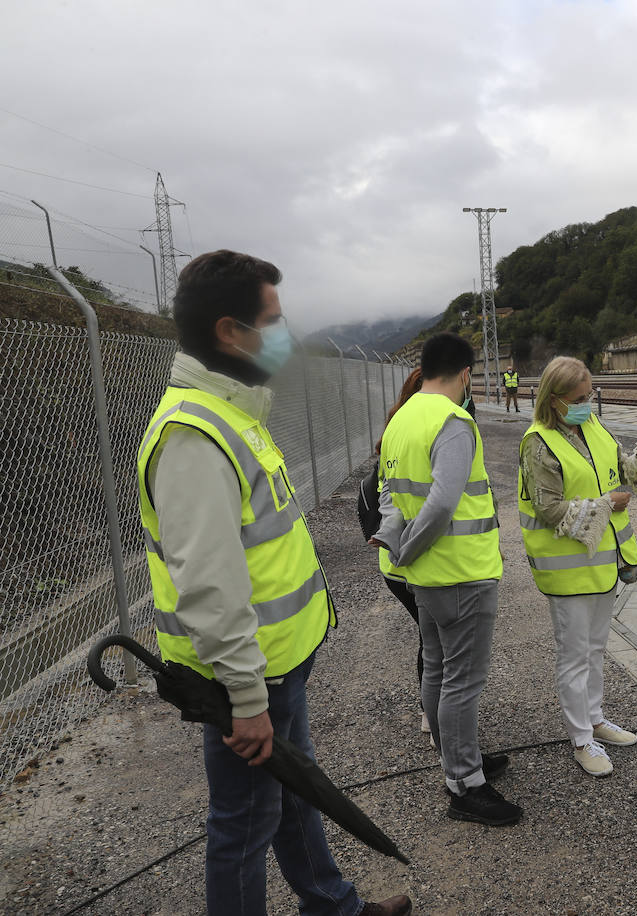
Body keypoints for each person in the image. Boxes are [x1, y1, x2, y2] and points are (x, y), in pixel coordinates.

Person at [136, 249, 410, 916]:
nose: (284, 334)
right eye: (274, 321)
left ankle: (332, 906)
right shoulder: (195, 435)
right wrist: (244, 693)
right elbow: (208, 583)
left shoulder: (231, 414)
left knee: (295, 793)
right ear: (231, 331)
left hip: (276, 664)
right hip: (245, 677)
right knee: (243, 826)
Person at [372, 332, 520, 826]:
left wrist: (401, 552)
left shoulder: (400, 420)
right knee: (463, 680)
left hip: (427, 577)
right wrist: (411, 547)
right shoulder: (454, 422)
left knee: (437, 667)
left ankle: (459, 757)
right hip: (462, 572)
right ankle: (464, 784)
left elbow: (388, 497)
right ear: (464, 374)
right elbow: (442, 502)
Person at [517, 356, 637, 777]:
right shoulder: (538, 443)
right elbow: (548, 509)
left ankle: (596, 719)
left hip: (603, 564)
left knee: (596, 649)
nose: (587, 404)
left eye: (590, 396)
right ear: (556, 399)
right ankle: (581, 737)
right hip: (568, 572)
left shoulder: (591, 426)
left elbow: (619, 466)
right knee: (574, 656)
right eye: (579, 398)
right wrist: (606, 504)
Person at [358, 367, 433, 738]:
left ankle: (431, 710)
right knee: (434, 639)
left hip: (393, 562)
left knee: (430, 635)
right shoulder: (420, 436)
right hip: (411, 560)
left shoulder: (395, 430)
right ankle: (435, 715)